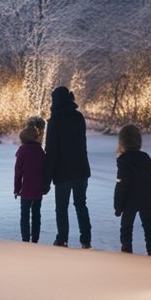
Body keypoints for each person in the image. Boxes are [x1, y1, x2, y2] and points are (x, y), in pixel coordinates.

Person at [43, 86, 91, 249]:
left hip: (63, 173)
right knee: (81, 204)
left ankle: (62, 238)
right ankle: (86, 239)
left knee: (61, 208)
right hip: (81, 169)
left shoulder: (54, 122)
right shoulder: (79, 118)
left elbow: (51, 152)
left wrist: (46, 180)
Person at [113, 124, 151, 256]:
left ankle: (126, 252)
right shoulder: (146, 158)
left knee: (126, 228)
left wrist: (118, 205)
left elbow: (122, 184)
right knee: (149, 228)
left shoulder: (123, 160)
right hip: (147, 199)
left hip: (129, 201)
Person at [14, 124, 46, 243]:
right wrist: (44, 186)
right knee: (36, 214)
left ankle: (25, 238)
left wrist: (17, 188)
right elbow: (45, 170)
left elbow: (18, 172)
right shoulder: (40, 151)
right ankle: (35, 239)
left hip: (26, 188)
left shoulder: (22, 151)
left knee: (25, 214)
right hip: (38, 189)